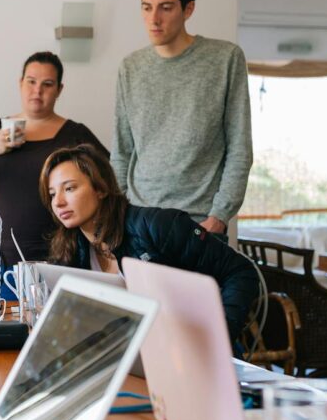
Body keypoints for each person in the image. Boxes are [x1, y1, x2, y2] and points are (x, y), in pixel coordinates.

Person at [40, 144, 259, 342]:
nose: (58, 202)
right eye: (52, 194)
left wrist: (217, 336)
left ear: (101, 188)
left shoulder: (158, 226)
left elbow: (241, 272)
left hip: (190, 350)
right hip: (133, 354)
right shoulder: (70, 249)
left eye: (69, 188)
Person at [112, 0, 252, 238]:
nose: (154, 19)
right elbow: (122, 151)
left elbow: (240, 147)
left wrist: (219, 216)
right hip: (139, 220)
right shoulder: (131, 67)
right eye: (146, 7)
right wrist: (120, 212)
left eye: (166, 7)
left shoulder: (225, 59)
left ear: (188, 9)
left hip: (200, 223)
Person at [0, 52, 107, 266]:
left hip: (61, 259)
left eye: (48, 84)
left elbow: (108, 186)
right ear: (20, 83)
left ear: (59, 90)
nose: (37, 90)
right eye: (31, 81)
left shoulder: (75, 134)